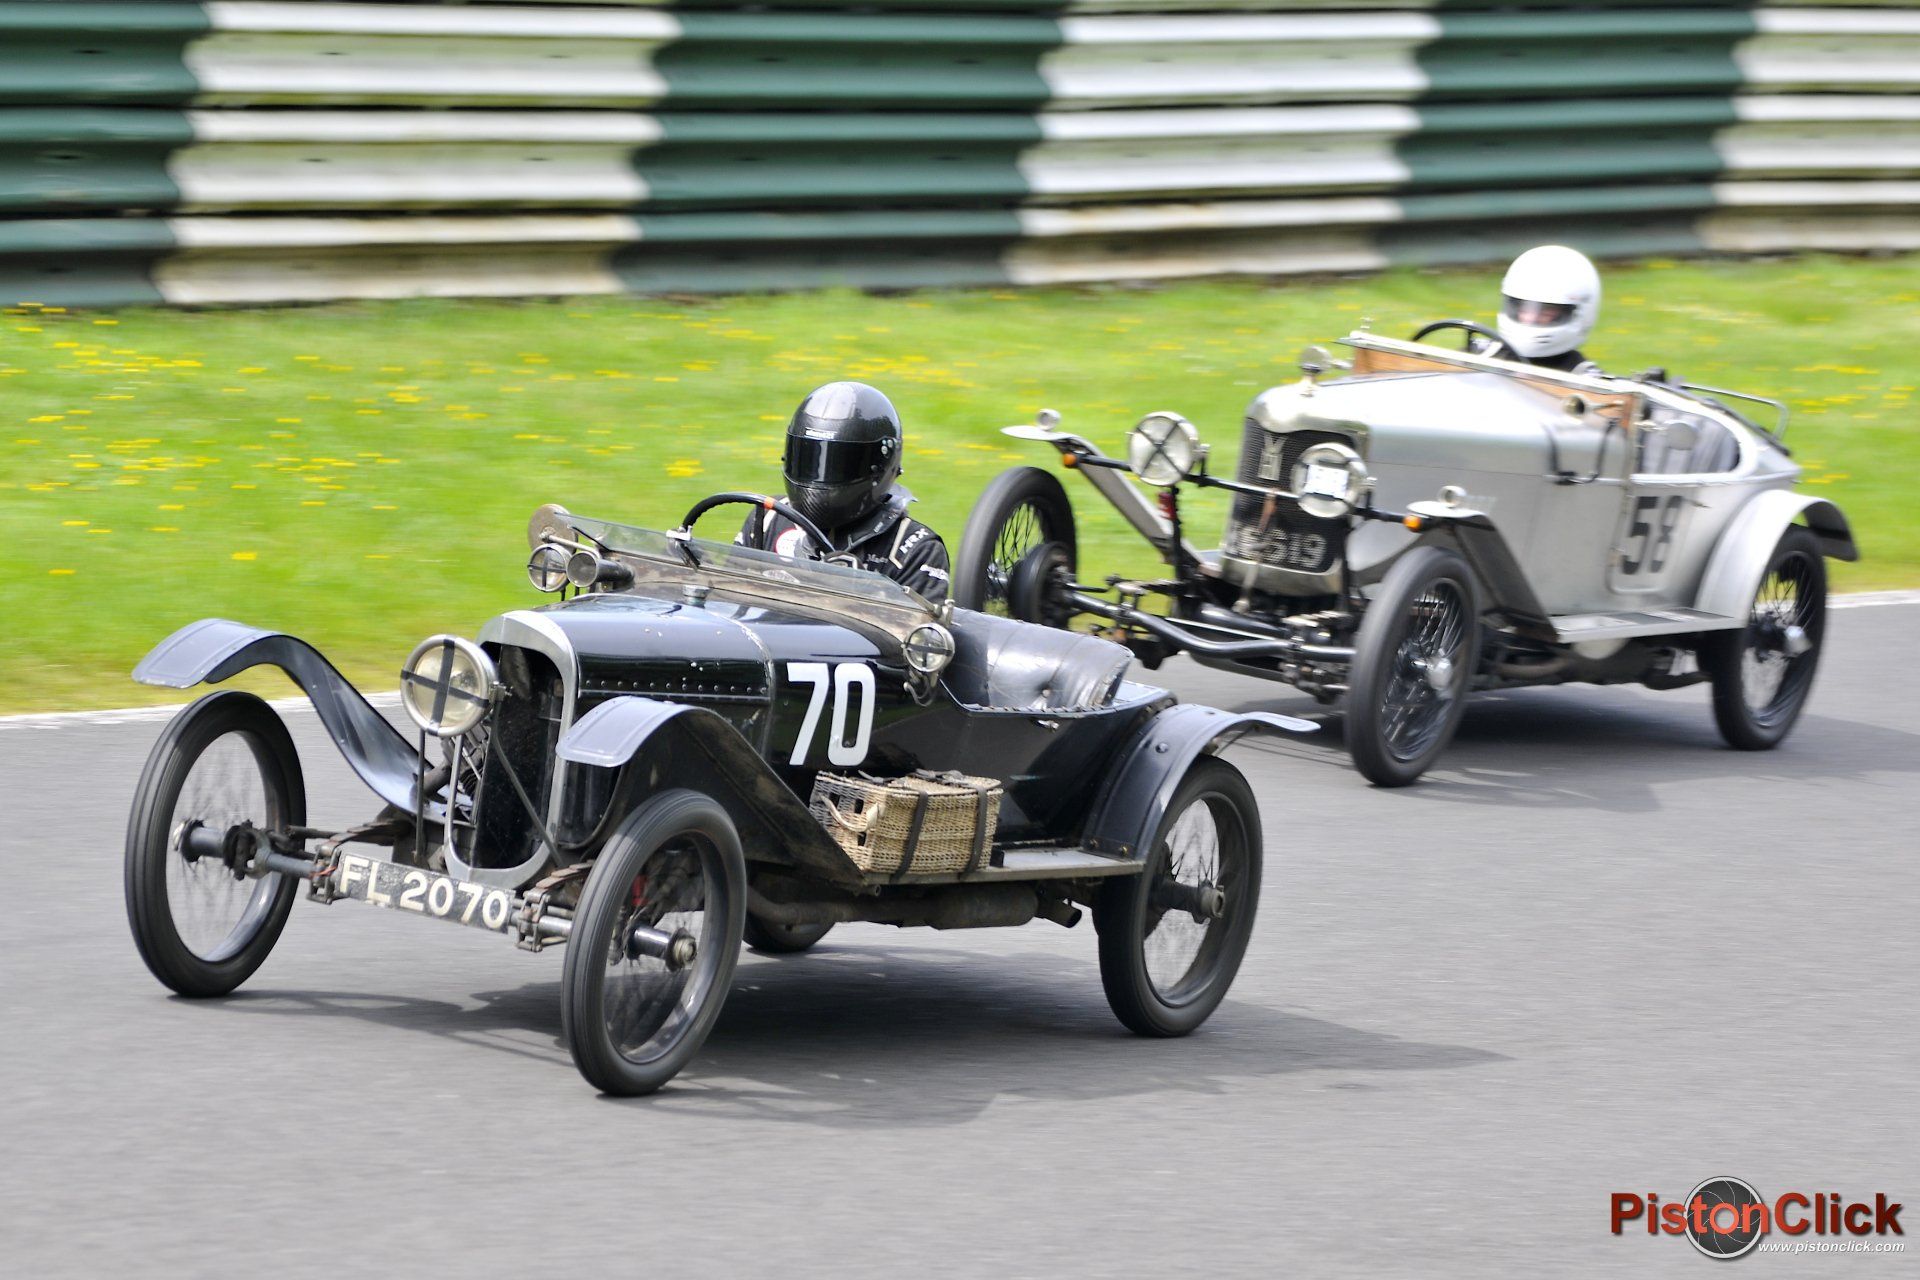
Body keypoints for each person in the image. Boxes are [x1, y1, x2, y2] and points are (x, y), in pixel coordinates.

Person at [739, 381, 951, 603]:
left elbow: (916, 635)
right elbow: (724, 603)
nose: (820, 478)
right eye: (810, 460)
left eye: (837, 465)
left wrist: (857, 593)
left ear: (880, 465)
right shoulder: (767, 519)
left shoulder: (913, 548)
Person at [1491, 244, 1602, 373]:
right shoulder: (1484, 355)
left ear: (1579, 313)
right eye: (1523, 307)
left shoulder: (1584, 379)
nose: (1529, 318)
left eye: (1546, 310)